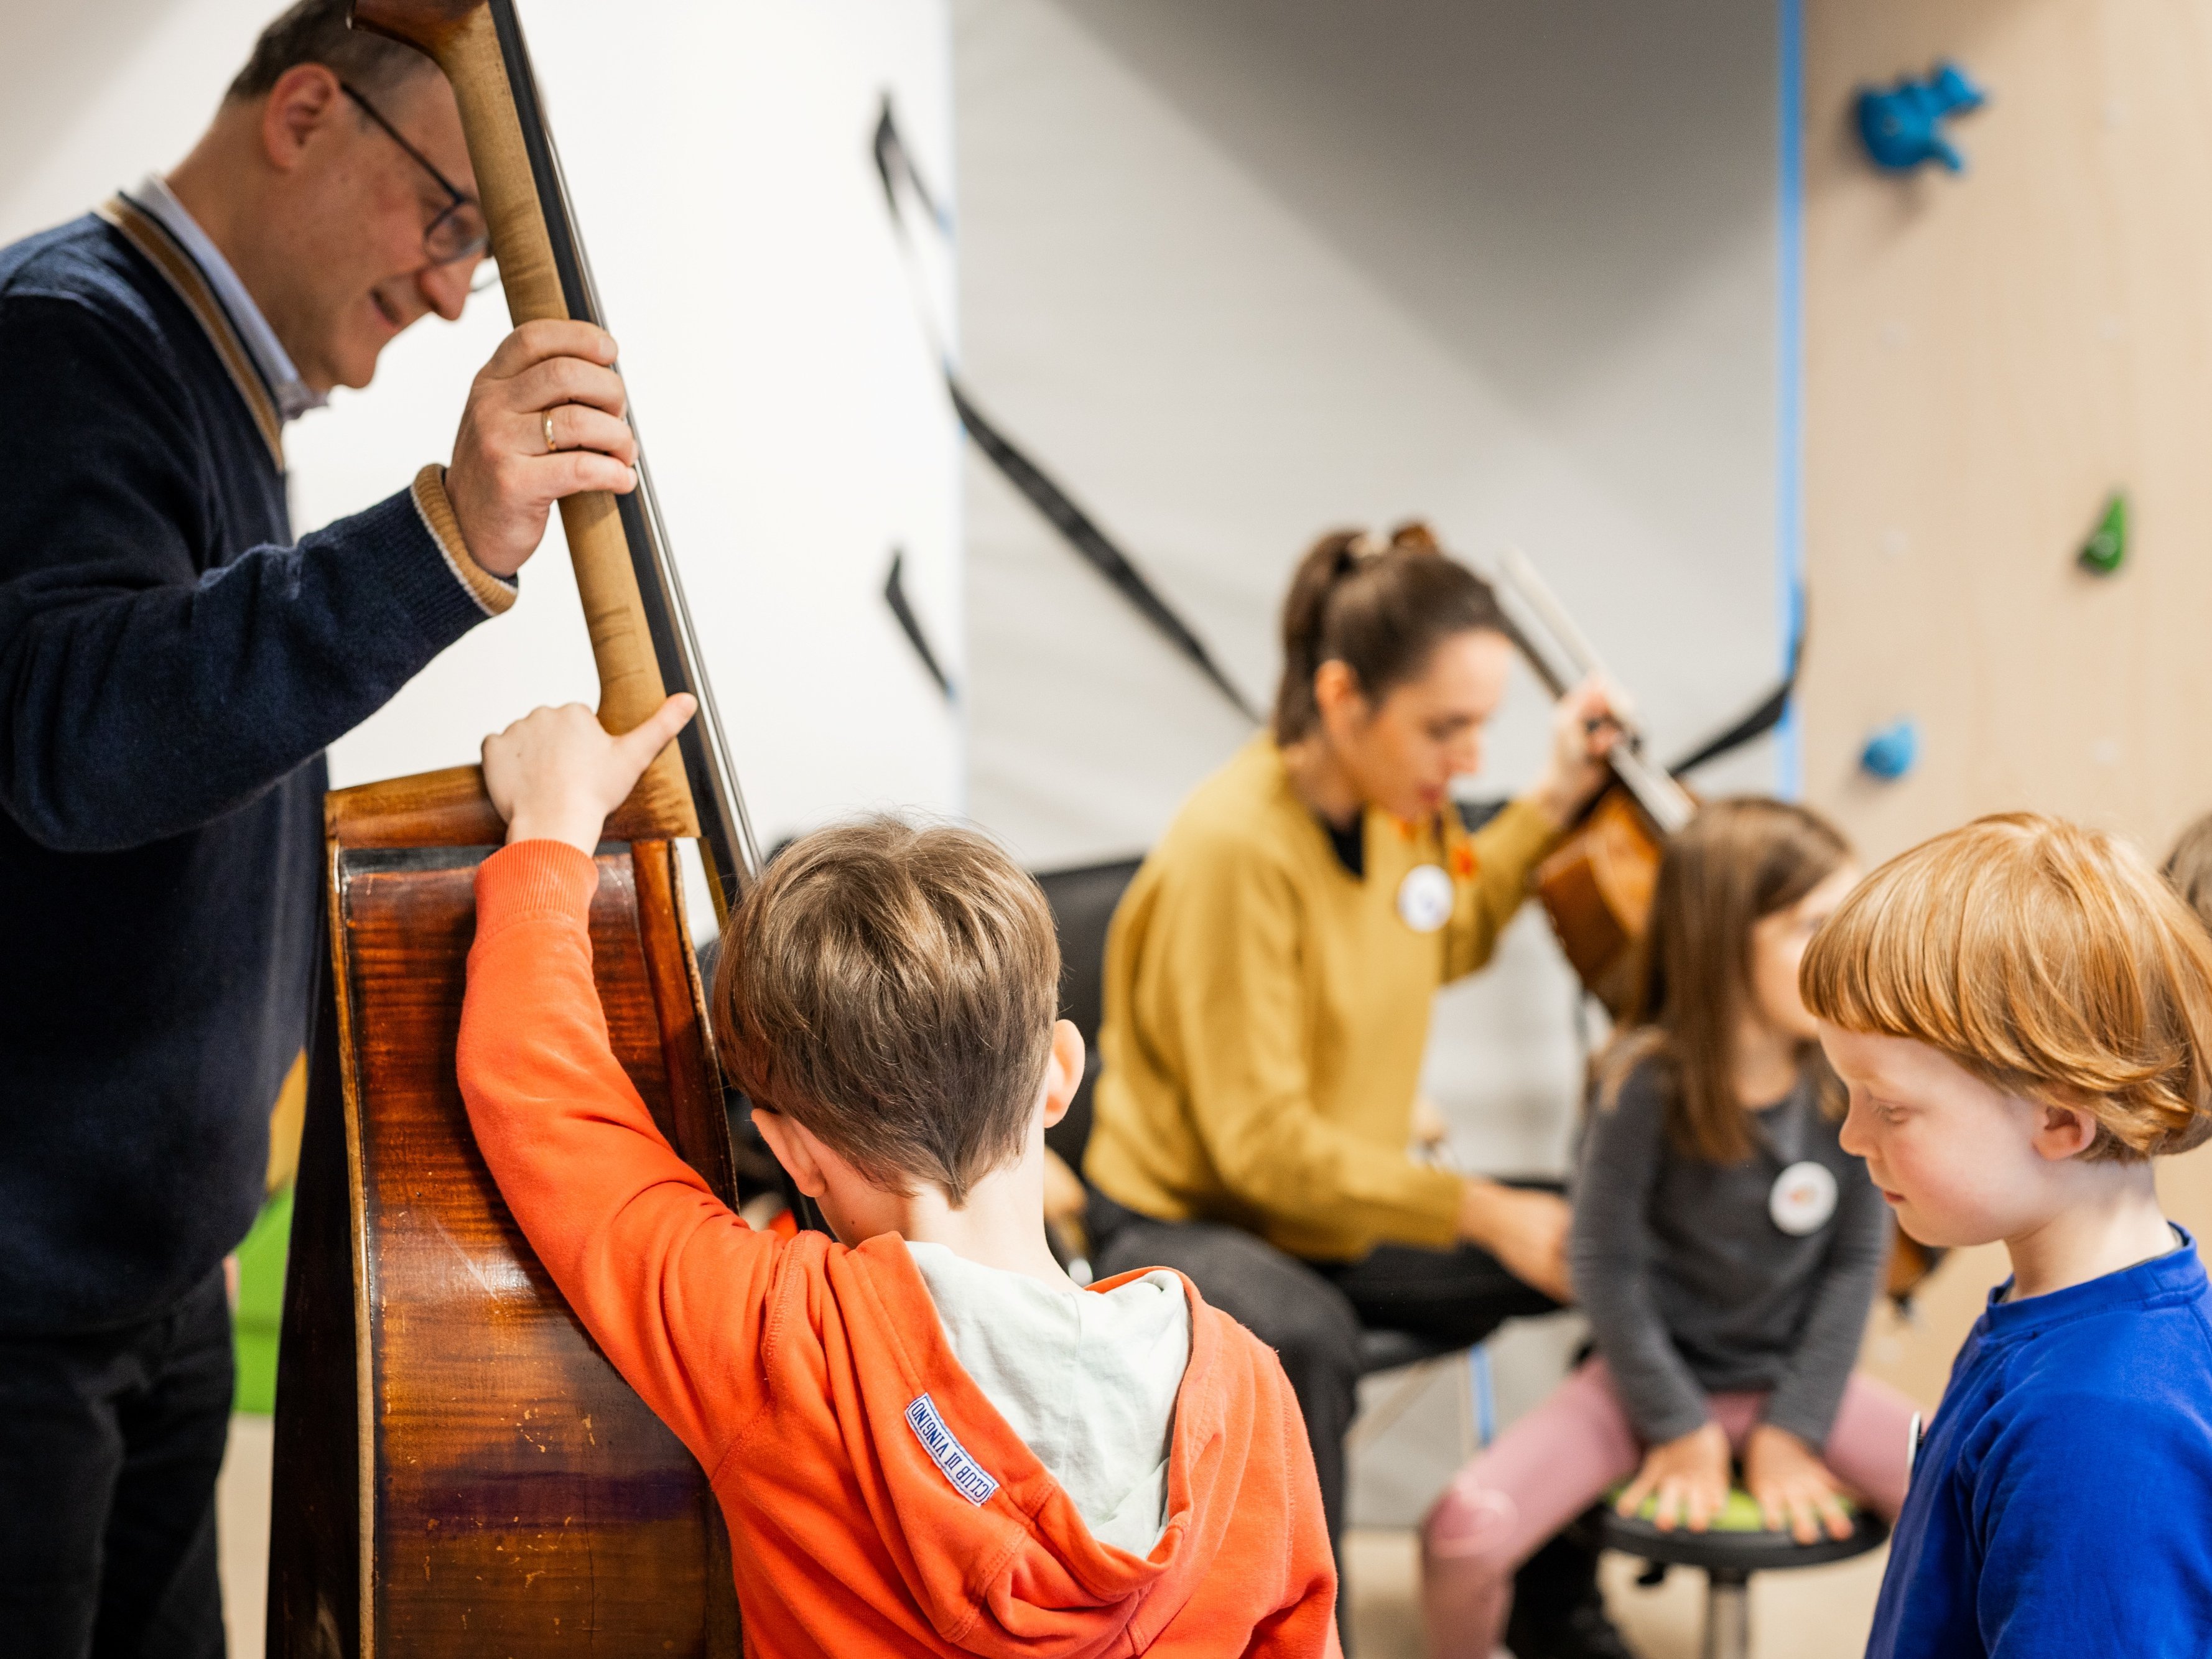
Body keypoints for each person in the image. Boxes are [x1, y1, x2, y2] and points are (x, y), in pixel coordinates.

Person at [0, 3, 642, 1650]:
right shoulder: (61, 343)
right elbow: (82, 735)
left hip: (148, 1274)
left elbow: (203, 777)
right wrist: (440, 537)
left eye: (474, 257)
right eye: (445, 218)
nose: (447, 288)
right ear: (304, 112)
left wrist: (207, 1198)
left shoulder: (209, 375)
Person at [454, 697, 1340, 1656]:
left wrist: (552, 822)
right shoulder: (1249, 1397)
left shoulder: (778, 1341)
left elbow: (542, 1090)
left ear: (792, 1150)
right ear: (1059, 1074)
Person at [1080, 522, 1627, 1653]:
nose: (1466, 760)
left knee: (1616, 1240)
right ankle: (1296, 1640)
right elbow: (1261, 1156)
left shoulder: (1399, 814)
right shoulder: (1234, 852)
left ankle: (1555, 1601)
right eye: (1446, 727)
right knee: (1301, 1339)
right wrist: (1480, 1209)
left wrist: (1556, 797)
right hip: (1197, 1218)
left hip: (1342, 1209)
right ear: (1340, 696)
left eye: (1480, 728)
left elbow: (1446, 931)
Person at [1421, 799, 1917, 1655]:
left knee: (2000, 1505)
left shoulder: (1852, 1079)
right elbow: (1605, 1268)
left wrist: (1794, 1428)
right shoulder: (1639, 1084)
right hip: (1644, 1388)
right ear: (1724, 940)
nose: (1845, 955)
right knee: (1460, 1534)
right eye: (1813, 926)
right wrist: (1678, 1426)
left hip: (1802, 1387)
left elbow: (1855, 1266)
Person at [1805, 814, 2212, 1658]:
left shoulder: (2098, 1429)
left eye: (1889, 1106)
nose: (1851, 1137)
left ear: (2061, 1118)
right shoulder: (2044, 1315)